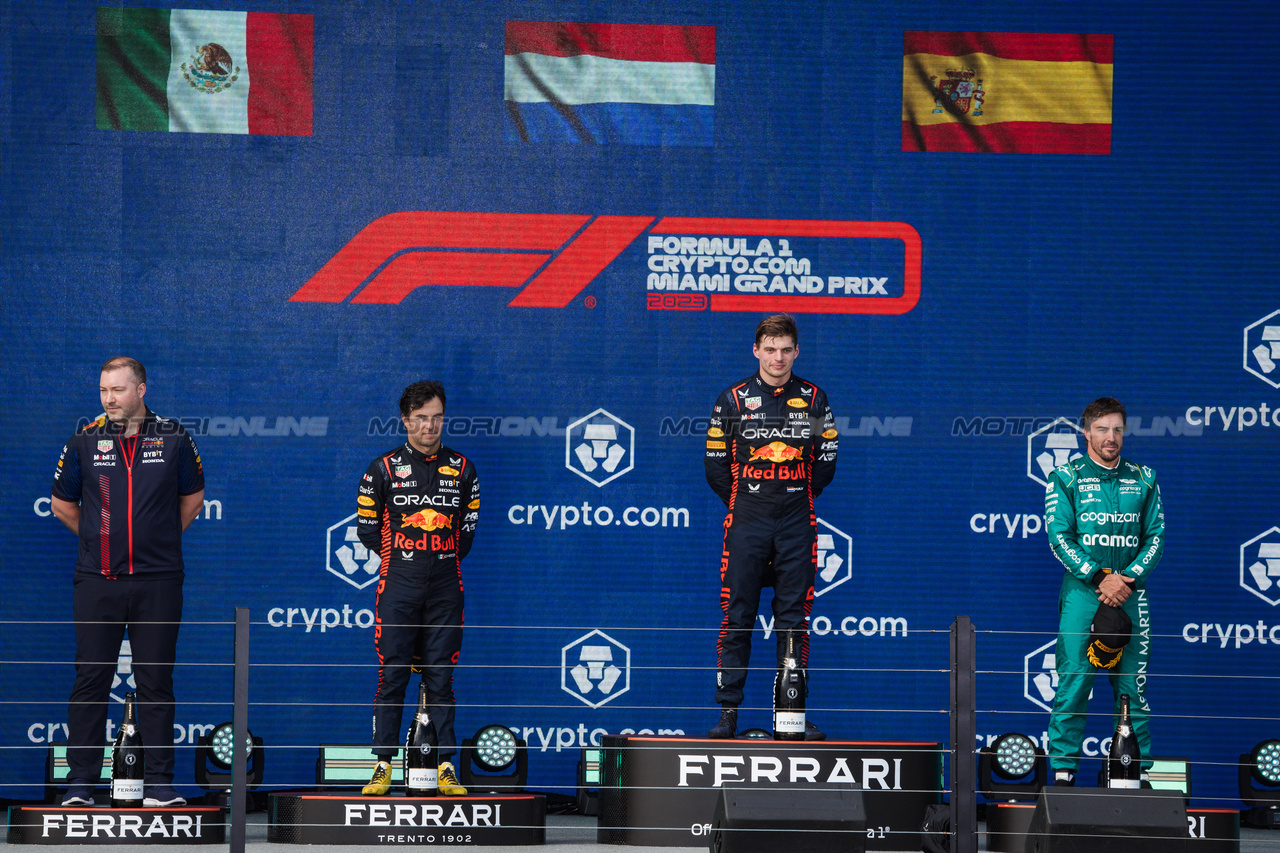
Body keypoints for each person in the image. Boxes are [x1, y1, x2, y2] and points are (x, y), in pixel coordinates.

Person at [50, 357, 205, 807]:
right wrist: (103, 543)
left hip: (159, 581)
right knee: (90, 680)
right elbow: (62, 505)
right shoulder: (85, 439)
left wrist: (154, 545)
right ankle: (80, 786)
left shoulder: (174, 437)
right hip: (98, 580)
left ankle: (158, 786)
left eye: (117, 390)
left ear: (140, 390)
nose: (109, 399)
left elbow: (192, 500)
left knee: (156, 681)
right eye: (103, 391)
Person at [704, 314, 838, 739]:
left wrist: (792, 492)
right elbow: (715, 466)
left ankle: (790, 716)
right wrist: (749, 499)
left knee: (794, 619)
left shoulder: (815, 398)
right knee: (738, 614)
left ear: (796, 352)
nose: (778, 358)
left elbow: (827, 463)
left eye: (785, 350)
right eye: (770, 349)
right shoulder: (733, 399)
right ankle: (728, 716)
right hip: (747, 517)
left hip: (797, 518)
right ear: (756, 351)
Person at [358, 381, 479, 796]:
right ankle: (382, 765)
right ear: (406, 420)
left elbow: (466, 534)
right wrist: (406, 556)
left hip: (446, 585)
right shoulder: (383, 469)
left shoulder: (463, 468)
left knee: (441, 679)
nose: (430, 426)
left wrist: (435, 556)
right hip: (399, 585)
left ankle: (445, 766)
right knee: (392, 676)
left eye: (437, 417)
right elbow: (367, 531)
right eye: (421, 418)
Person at [1044, 397, 1164, 785]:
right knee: (1075, 680)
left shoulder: (1144, 477)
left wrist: (1125, 579)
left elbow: (1156, 536)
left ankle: (1134, 775)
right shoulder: (1066, 476)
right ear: (1086, 433)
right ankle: (1063, 773)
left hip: (1131, 591)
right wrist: (1100, 578)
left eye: (1117, 429)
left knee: (1133, 687)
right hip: (1083, 591)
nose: (1110, 437)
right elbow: (1059, 536)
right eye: (1101, 429)